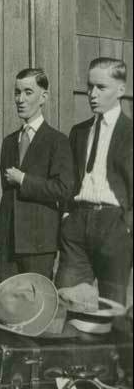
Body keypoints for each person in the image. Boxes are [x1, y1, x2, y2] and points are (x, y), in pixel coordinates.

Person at [56, 57, 133, 306]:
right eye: (90, 86)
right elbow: (69, 180)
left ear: (121, 90)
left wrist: (127, 226)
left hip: (114, 226)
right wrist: (68, 215)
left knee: (112, 309)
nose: (92, 94)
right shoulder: (79, 132)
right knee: (67, 301)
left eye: (101, 87)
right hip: (77, 224)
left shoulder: (130, 133)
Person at [0, 68, 74, 283]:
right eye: (17, 92)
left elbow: (63, 188)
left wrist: (24, 180)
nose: (20, 99)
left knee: (36, 306)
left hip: (39, 242)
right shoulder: (10, 141)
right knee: (8, 307)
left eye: (28, 92)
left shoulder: (57, 141)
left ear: (44, 97)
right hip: (8, 240)